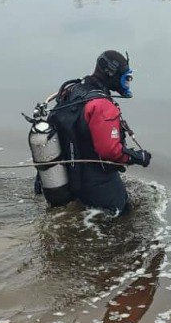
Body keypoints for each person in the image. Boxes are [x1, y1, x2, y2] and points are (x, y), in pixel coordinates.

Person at [48, 50, 151, 215]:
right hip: (97, 183)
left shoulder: (74, 90)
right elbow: (110, 151)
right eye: (125, 77)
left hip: (70, 176)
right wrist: (136, 157)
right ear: (111, 74)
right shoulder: (101, 105)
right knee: (123, 216)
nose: (127, 82)